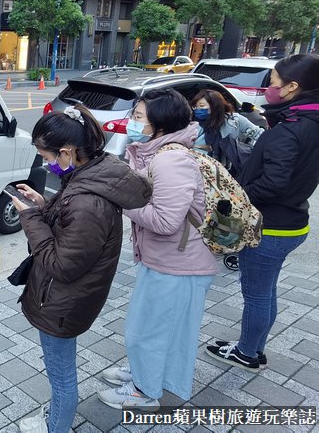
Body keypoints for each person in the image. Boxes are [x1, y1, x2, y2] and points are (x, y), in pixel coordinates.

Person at [11, 106, 151, 433]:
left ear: (67, 151)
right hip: (64, 297)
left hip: (63, 301)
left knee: (62, 379)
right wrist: (44, 206)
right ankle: (54, 420)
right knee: (60, 373)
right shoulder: (91, 173)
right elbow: (71, 229)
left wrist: (30, 217)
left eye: (46, 156)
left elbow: (63, 264)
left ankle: (55, 427)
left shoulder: (89, 199)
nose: (46, 163)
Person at [97, 88, 218, 410]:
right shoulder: (158, 152)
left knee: (147, 332)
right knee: (150, 327)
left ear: (159, 124)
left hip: (179, 264)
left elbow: (165, 222)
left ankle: (145, 391)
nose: (132, 123)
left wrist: (120, 203)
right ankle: (142, 373)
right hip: (167, 259)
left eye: (138, 118)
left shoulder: (171, 160)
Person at [205, 54, 319, 371]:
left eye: (274, 82)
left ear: (293, 87)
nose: (269, 87)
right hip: (293, 222)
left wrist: (233, 199)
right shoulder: (309, 123)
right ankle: (254, 347)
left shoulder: (290, 131)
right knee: (265, 293)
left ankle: (247, 353)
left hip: (271, 228)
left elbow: (273, 184)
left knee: (256, 296)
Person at [191, 89, 263, 173]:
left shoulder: (234, 121)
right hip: (198, 172)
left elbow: (260, 136)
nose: (197, 109)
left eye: (201, 106)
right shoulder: (190, 125)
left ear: (214, 106)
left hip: (228, 173)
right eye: (195, 106)